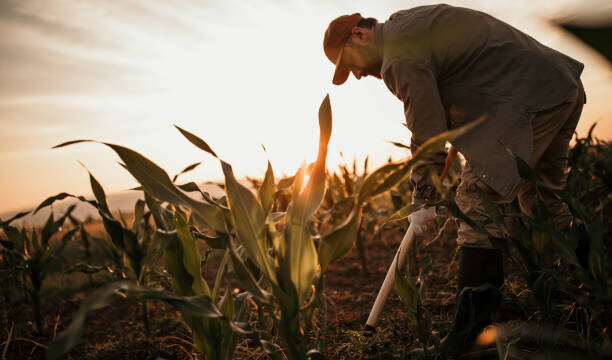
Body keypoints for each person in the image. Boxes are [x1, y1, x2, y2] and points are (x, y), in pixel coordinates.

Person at [323, 4, 585, 357]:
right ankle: (585, 291)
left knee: (478, 201)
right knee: (541, 201)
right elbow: (462, 76)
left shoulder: (399, 57)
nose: (354, 73)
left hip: (529, 102)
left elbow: (426, 131)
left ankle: (470, 341)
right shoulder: (405, 26)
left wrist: (422, 198)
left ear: (359, 34)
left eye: (348, 62)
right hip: (558, 86)